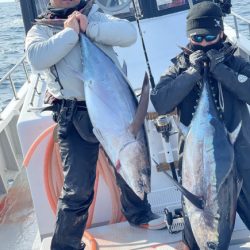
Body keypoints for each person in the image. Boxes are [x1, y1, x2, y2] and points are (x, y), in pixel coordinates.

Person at [25, 0, 165, 249]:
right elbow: (37, 58)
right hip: (74, 115)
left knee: (127, 170)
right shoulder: (40, 30)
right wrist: (70, 33)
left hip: (113, 109)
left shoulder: (95, 16)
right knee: (77, 186)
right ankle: (65, 244)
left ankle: (140, 214)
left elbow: (128, 33)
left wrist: (89, 28)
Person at [150, 1, 250, 249]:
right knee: (195, 230)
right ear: (188, 36)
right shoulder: (180, 65)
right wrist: (192, 73)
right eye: (197, 37)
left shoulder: (235, 61)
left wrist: (220, 70)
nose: (204, 43)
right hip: (196, 163)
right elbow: (160, 101)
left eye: (209, 36)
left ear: (221, 33)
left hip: (241, 158)